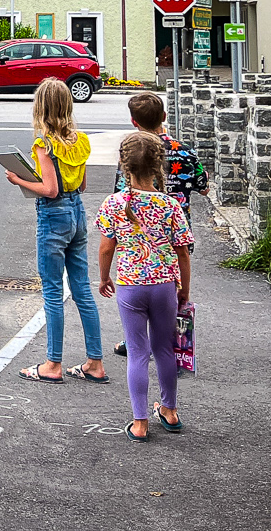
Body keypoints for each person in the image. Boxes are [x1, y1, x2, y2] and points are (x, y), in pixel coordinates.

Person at [7, 79, 108, 384]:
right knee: (82, 290)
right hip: (77, 211)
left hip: (54, 216)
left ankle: (53, 363)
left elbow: (49, 190)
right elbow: (83, 184)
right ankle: (95, 361)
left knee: (52, 290)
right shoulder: (81, 141)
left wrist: (19, 179)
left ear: (41, 108)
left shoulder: (44, 145)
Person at [97, 131, 195, 441]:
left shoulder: (114, 203)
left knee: (137, 352)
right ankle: (169, 410)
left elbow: (105, 248)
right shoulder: (170, 205)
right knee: (164, 349)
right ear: (158, 165)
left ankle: (139, 423)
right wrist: (184, 289)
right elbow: (182, 251)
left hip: (129, 285)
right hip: (164, 284)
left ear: (124, 166)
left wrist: (104, 277)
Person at [111, 92, 208, 357]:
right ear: (164, 117)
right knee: (173, 287)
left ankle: (137, 340)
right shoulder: (185, 152)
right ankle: (169, 341)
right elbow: (204, 186)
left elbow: (121, 193)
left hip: (139, 234)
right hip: (176, 231)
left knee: (141, 286)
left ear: (133, 121)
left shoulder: (131, 155)